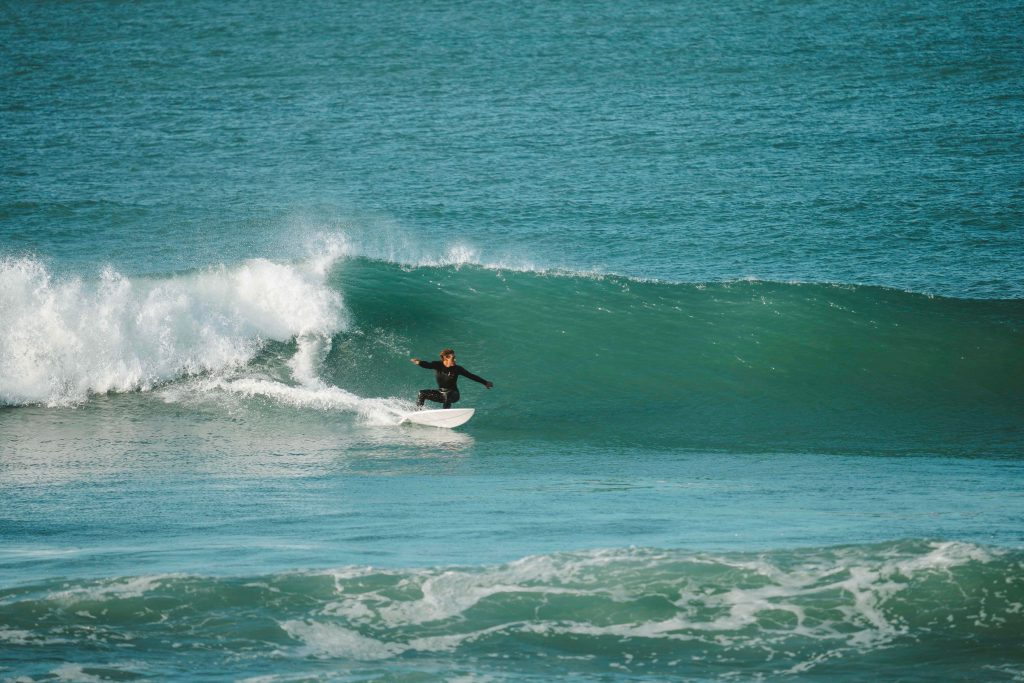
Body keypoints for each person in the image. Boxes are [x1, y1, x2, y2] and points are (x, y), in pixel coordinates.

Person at [410, 348, 493, 409]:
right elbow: (428, 365)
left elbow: (471, 376)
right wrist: (419, 362)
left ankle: (445, 414)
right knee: (422, 393)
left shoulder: (457, 369)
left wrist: (485, 382)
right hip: (441, 393)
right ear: (445, 357)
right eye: (453, 358)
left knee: (448, 394)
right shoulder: (437, 365)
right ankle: (417, 412)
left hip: (454, 394)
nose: (455, 359)